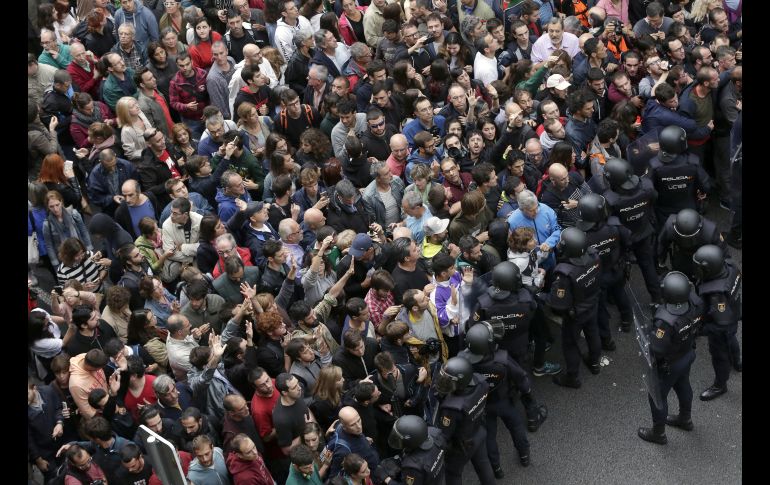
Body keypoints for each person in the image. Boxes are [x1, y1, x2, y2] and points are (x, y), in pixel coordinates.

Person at [461, 322, 547, 475]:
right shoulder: (501, 359)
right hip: (504, 401)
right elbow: (521, 378)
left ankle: (496, 468)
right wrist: (527, 393)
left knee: (490, 437)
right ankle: (524, 456)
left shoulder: (464, 361)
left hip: (483, 405)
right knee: (517, 428)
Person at [637, 271, 704, 445]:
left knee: (657, 397)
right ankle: (685, 419)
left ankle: (658, 434)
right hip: (687, 353)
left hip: (670, 364)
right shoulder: (696, 303)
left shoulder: (665, 320)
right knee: (683, 385)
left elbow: (657, 350)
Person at [546, 227, 603, 388]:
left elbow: (558, 303)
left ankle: (572, 377)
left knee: (570, 344)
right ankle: (594, 363)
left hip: (575, 314)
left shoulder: (564, 273)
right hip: (592, 303)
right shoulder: (595, 256)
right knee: (593, 332)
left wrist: (542, 296)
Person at [603, 158, 661, 303]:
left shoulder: (611, 199)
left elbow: (608, 220)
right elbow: (654, 199)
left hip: (623, 239)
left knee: (619, 268)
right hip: (643, 232)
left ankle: (616, 298)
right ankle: (657, 298)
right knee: (648, 267)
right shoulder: (646, 186)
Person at [576, 193, 634, 343]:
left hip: (597, 277)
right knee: (620, 293)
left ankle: (606, 338)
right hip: (616, 269)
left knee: (600, 307)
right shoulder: (614, 226)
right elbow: (628, 242)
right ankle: (627, 320)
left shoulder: (582, 236)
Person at [433, 356, 496, 485]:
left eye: (449, 381)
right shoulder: (481, 382)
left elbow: (445, 434)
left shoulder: (451, 407)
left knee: (453, 473)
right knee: (483, 465)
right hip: (479, 431)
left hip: (461, 447)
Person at [692, 245, 742, 401]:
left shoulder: (716, 294)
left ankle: (720, 385)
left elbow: (721, 326)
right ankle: (737, 362)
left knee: (719, 356)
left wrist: (700, 329)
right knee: (732, 338)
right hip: (734, 312)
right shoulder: (730, 266)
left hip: (723, 323)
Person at [647, 125, 711, 226]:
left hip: (663, 210)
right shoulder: (693, 162)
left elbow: (649, 190)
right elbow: (706, 185)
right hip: (689, 208)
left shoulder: (655, 165)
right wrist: (702, 192)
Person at [657, 209, 726, 282]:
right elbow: (662, 244)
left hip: (702, 258)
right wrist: (661, 262)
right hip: (680, 256)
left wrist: (721, 276)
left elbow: (723, 252)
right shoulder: (669, 226)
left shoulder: (710, 232)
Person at [169, 52, 209, 138]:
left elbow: (211, 95)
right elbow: (173, 102)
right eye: (181, 66)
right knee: (196, 142)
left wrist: (208, 111)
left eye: (187, 64)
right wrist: (186, 106)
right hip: (190, 120)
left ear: (192, 62)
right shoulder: (175, 82)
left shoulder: (203, 74)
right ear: (177, 65)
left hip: (207, 115)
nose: (185, 68)